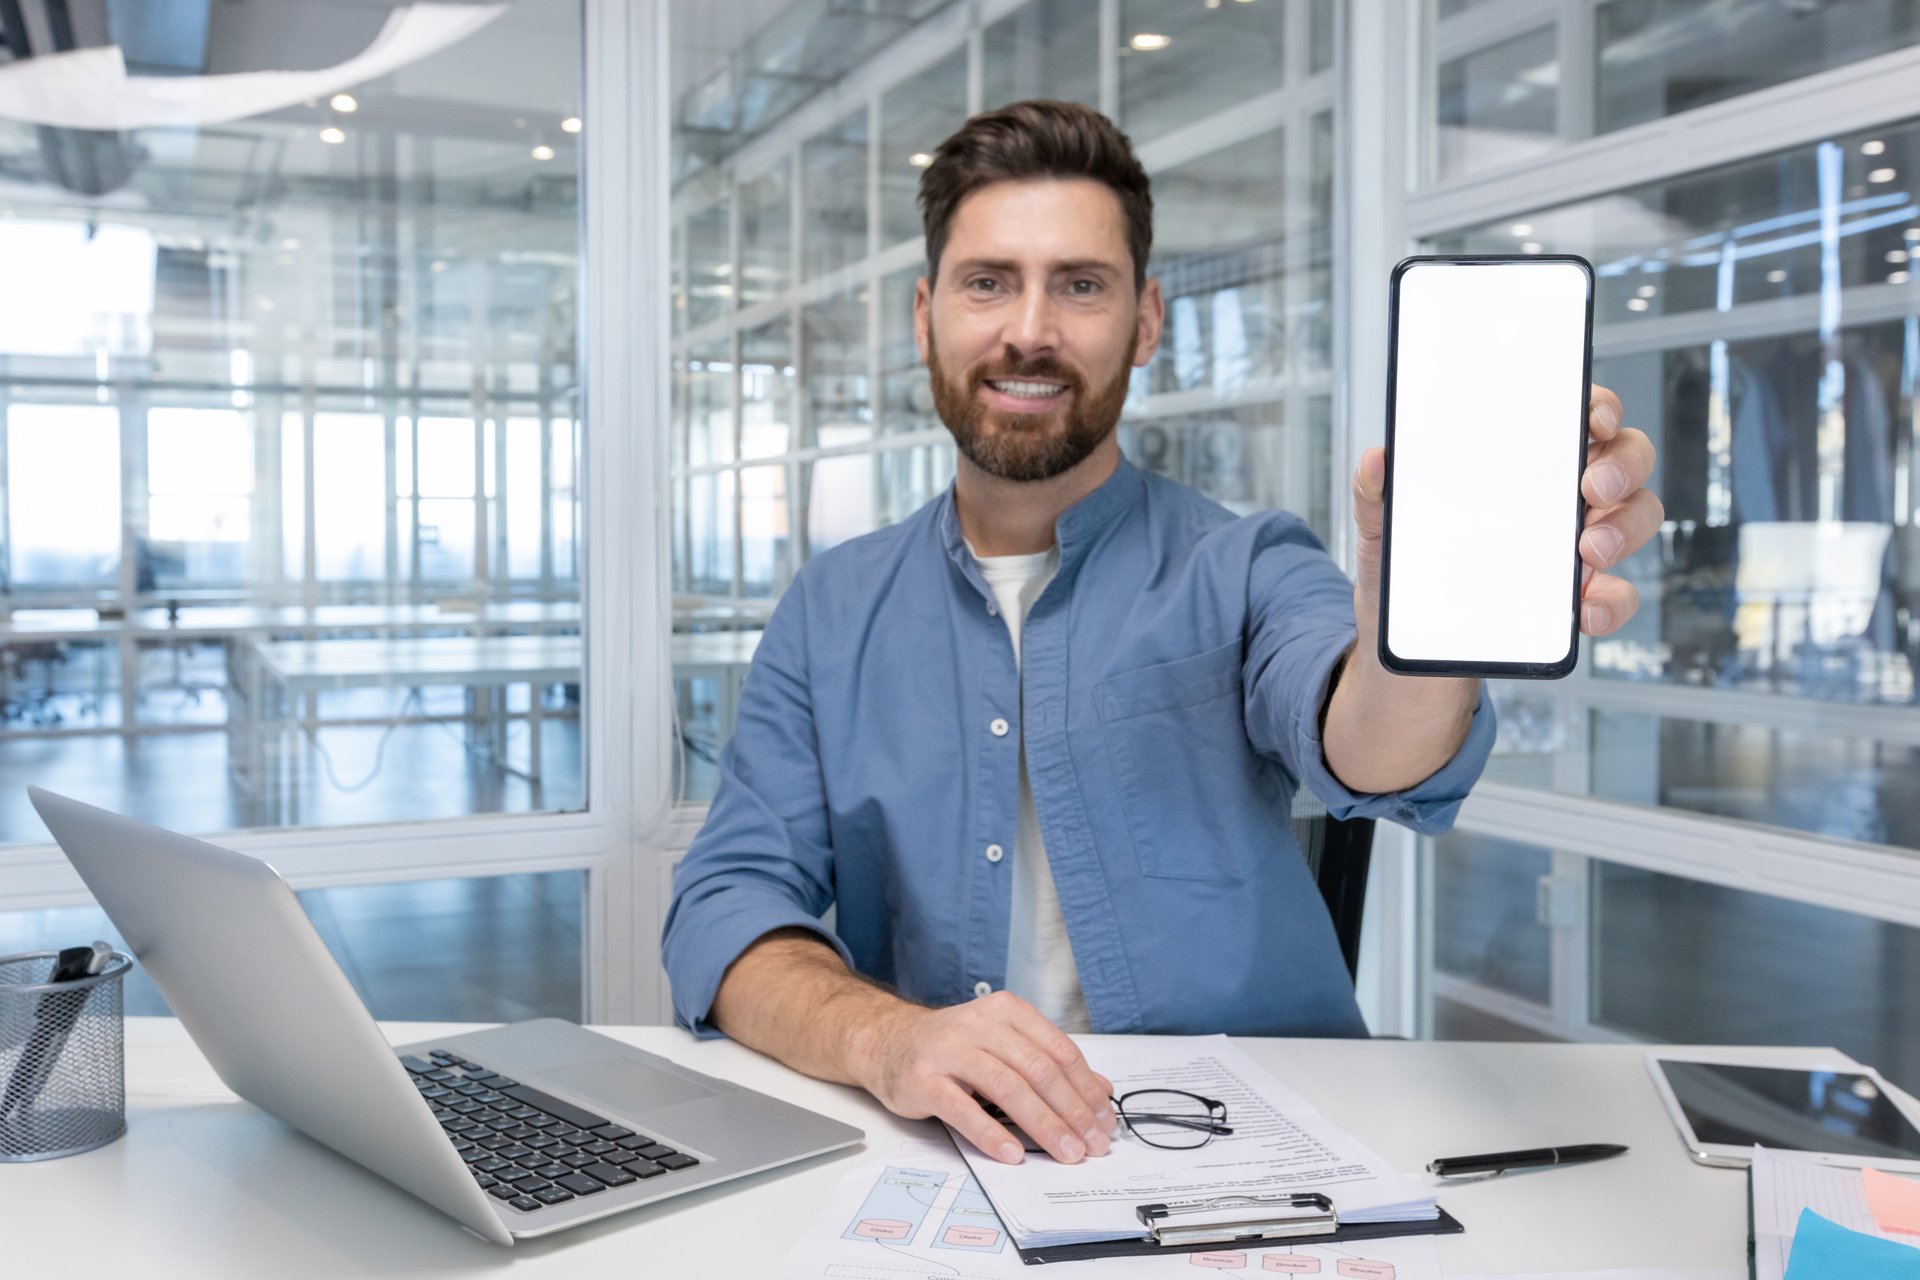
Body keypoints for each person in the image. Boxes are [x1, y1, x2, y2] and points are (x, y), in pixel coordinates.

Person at [662, 100, 1661, 1171]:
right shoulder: (831, 608)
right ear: (926, 315)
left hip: (1259, 1156)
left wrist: (1435, 619)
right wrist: (887, 1035)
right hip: (951, 1161)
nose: (1031, 329)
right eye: (988, 280)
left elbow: (1370, 745)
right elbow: (725, 907)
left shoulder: (1246, 563)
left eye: (1080, 284)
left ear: (1145, 320)